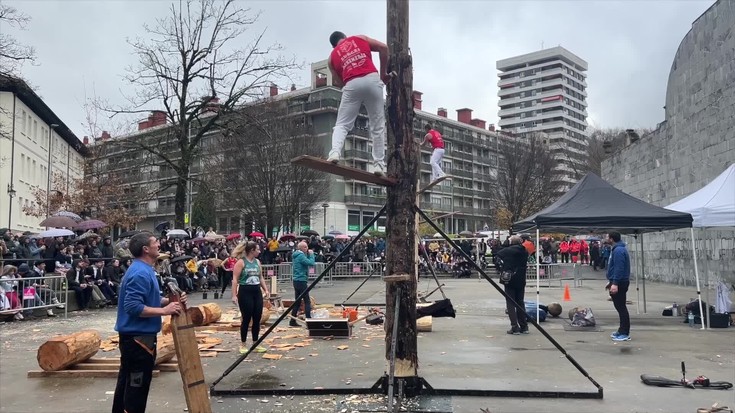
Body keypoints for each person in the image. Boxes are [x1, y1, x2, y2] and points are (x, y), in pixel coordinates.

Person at [112, 231, 187, 413]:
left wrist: (169, 302)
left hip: (138, 338)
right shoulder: (140, 273)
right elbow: (133, 306)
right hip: (137, 340)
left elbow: (148, 301)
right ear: (146, 249)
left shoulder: (145, 270)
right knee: (136, 389)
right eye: (155, 242)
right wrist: (164, 311)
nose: (159, 244)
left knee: (127, 384)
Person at [325, 31, 391, 176]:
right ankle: (379, 165)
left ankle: (335, 153)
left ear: (333, 46)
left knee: (342, 124)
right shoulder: (360, 38)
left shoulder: (331, 58)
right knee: (377, 125)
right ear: (345, 37)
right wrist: (383, 75)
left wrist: (353, 90)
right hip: (372, 79)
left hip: (351, 83)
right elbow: (384, 48)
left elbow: (338, 82)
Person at [231, 241, 269, 354]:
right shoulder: (241, 262)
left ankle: (255, 343)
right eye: (257, 249)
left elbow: (260, 277)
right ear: (252, 250)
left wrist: (266, 289)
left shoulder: (257, 262)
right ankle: (243, 344)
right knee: (246, 319)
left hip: (256, 291)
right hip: (245, 291)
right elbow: (235, 279)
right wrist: (234, 295)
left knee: (257, 318)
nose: (259, 251)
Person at [495, 235, 529, 335]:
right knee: (520, 302)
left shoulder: (508, 250)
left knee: (510, 303)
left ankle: (514, 326)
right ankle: (524, 326)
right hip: (521, 279)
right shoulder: (524, 251)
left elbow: (498, 254)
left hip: (509, 279)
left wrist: (505, 244)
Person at [605, 231, 631, 342]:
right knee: (619, 307)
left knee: (621, 307)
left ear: (611, 239)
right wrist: (611, 281)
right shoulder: (616, 249)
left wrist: (615, 283)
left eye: (607, 237)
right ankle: (621, 330)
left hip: (620, 282)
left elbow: (619, 268)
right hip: (616, 281)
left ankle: (624, 332)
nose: (606, 239)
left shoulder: (619, 250)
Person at [290, 241, 316, 327]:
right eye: (305, 247)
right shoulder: (301, 256)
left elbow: (306, 261)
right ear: (300, 248)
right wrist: (312, 255)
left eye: (307, 247)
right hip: (301, 280)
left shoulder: (296, 255)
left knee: (297, 302)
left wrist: (308, 255)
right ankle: (309, 321)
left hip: (296, 280)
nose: (307, 249)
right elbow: (311, 263)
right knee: (307, 301)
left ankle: (292, 321)